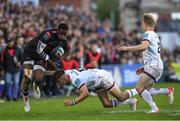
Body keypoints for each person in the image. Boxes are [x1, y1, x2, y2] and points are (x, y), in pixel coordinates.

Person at [116, 13, 174, 113]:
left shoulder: (148, 34)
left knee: (139, 88)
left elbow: (143, 47)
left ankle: (155, 108)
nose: (141, 26)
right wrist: (145, 67)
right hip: (156, 65)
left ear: (146, 24)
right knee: (145, 90)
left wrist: (127, 48)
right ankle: (167, 91)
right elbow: (153, 53)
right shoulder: (155, 35)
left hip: (153, 65)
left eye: (142, 24)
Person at [21, 23, 70, 112]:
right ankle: (25, 97)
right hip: (30, 53)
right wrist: (50, 62)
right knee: (27, 77)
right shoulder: (47, 35)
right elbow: (39, 51)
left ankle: (36, 85)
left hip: (40, 58)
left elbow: (68, 50)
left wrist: (61, 57)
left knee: (38, 78)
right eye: (61, 33)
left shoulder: (64, 40)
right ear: (57, 30)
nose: (63, 36)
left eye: (65, 34)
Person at [53, 69, 138, 110]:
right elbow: (55, 72)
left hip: (102, 78)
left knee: (121, 97)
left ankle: (139, 89)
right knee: (106, 104)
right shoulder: (66, 72)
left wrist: (73, 102)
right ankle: (131, 101)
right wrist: (44, 72)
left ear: (63, 78)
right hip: (97, 82)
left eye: (58, 81)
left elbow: (86, 93)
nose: (58, 83)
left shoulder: (74, 79)